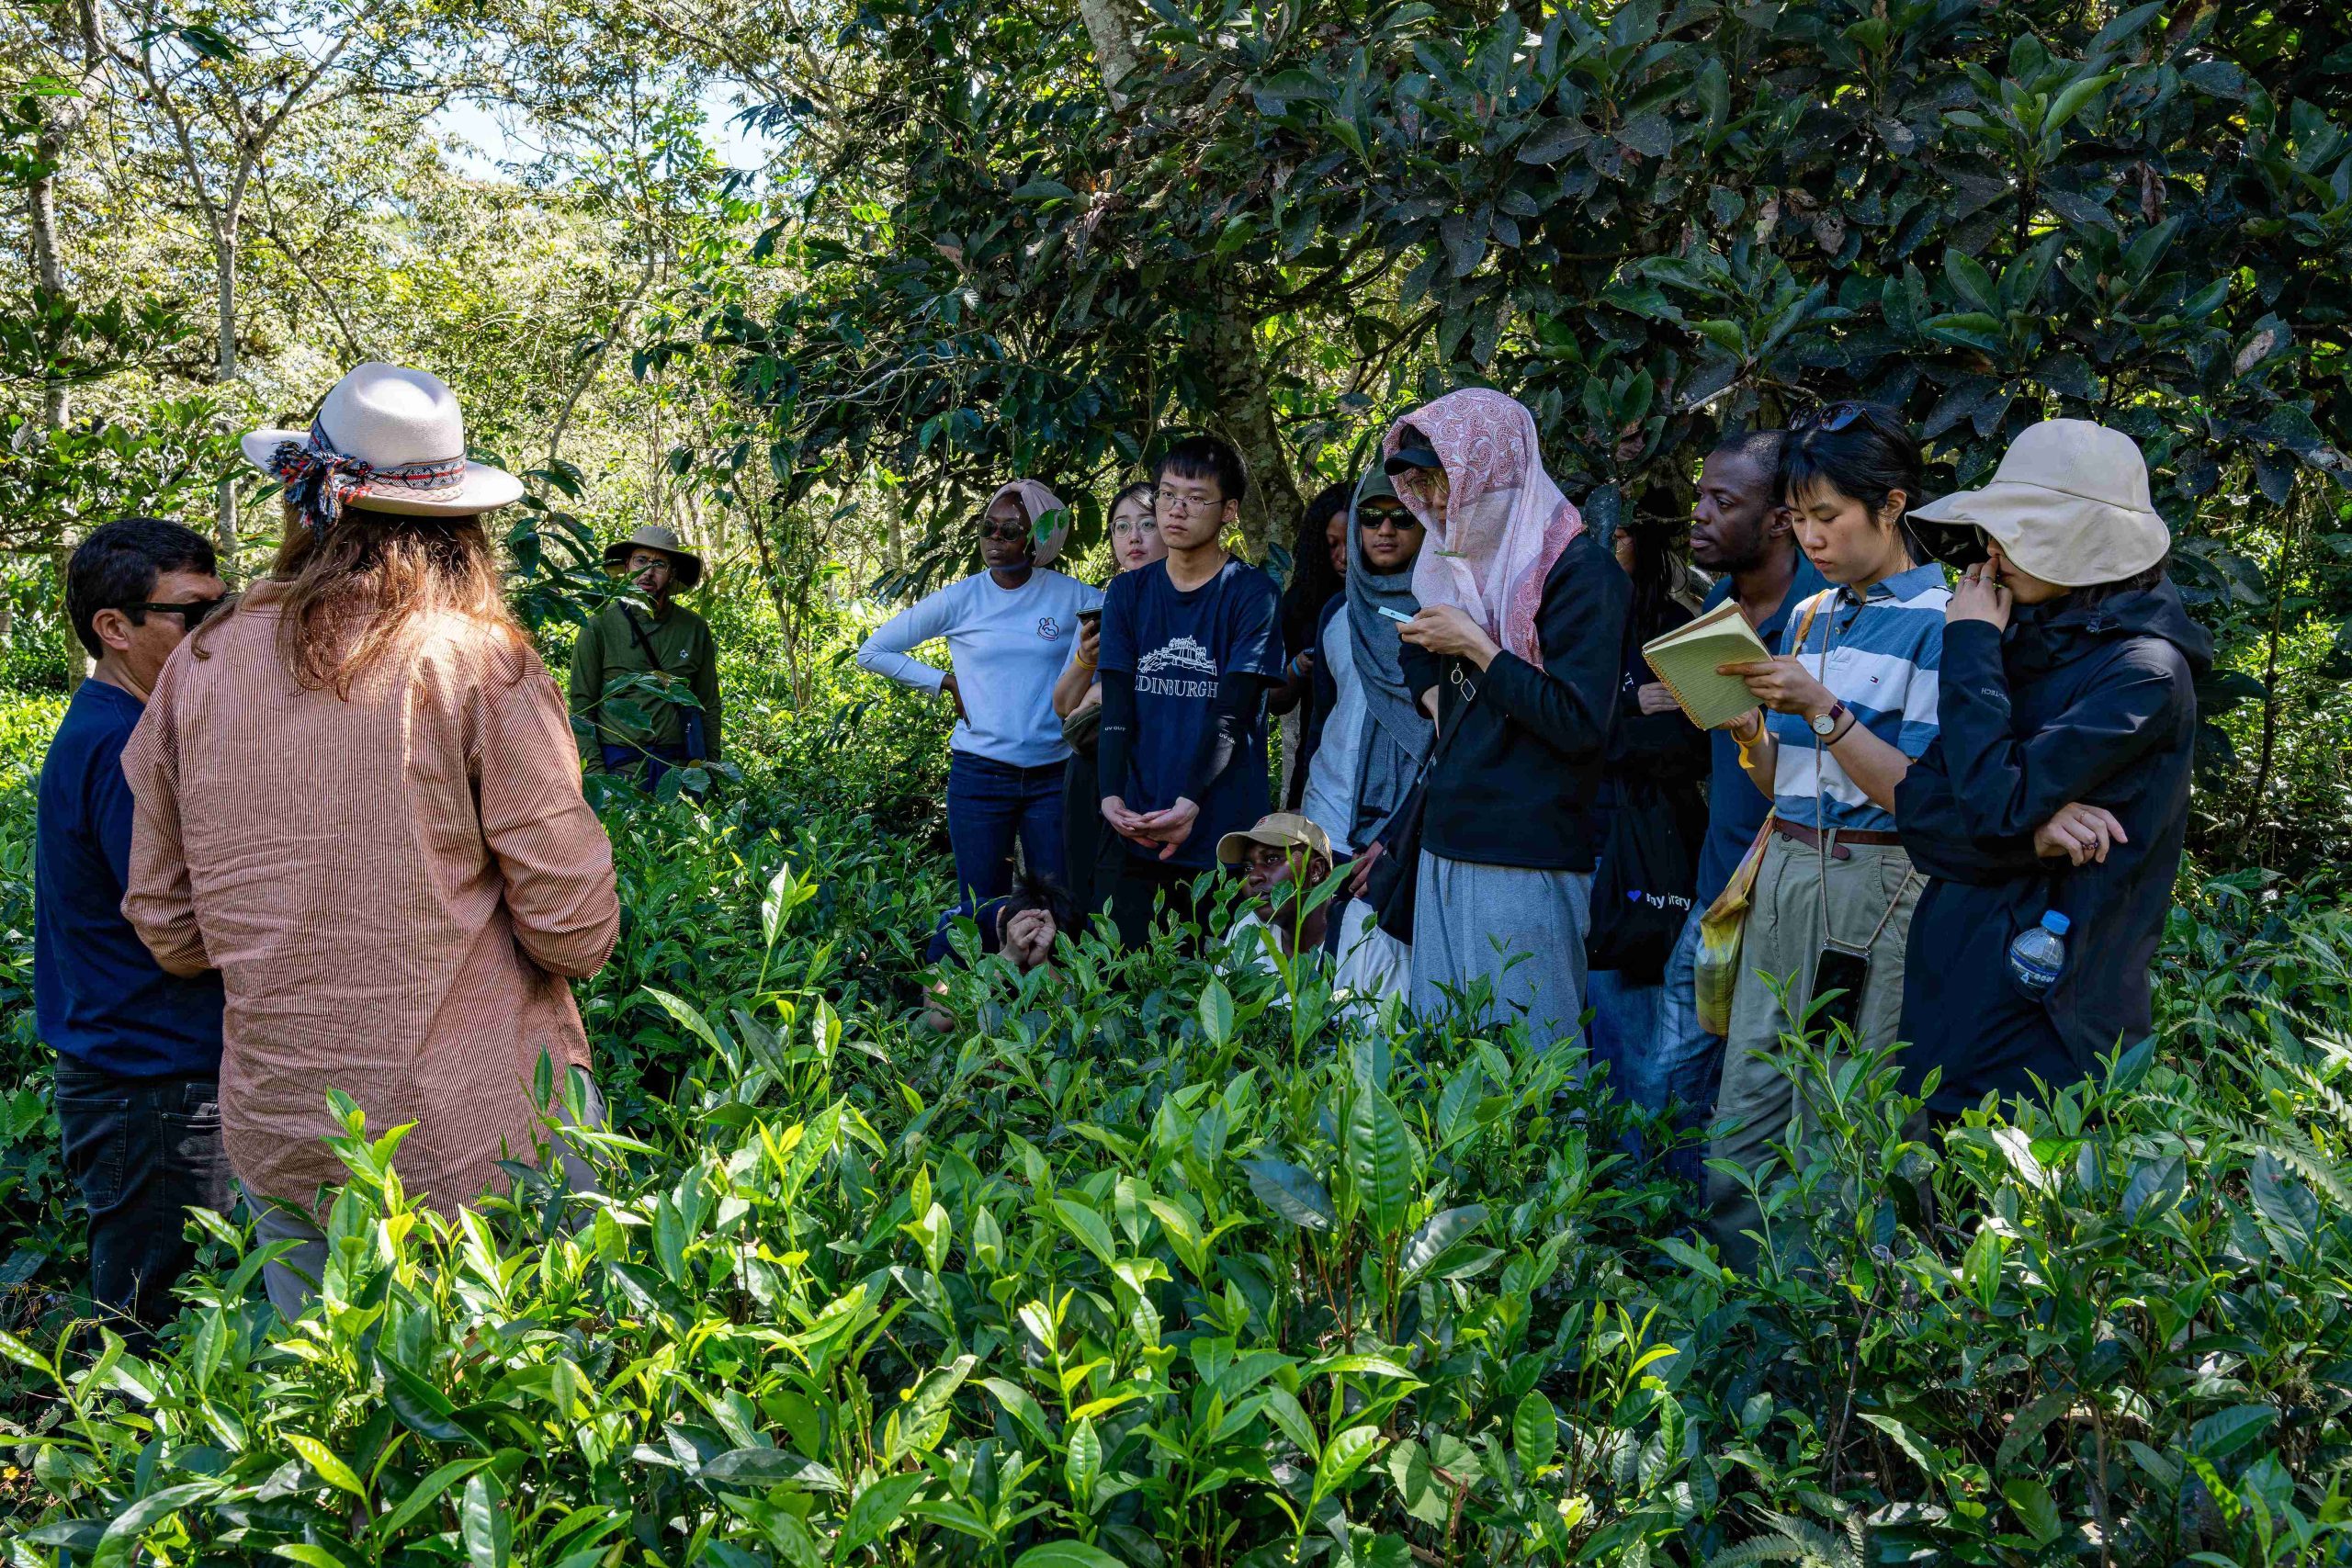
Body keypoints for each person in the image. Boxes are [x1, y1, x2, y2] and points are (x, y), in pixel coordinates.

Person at [121, 363, 620, 1316]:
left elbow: (168, 922)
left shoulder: (203, 662)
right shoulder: (476, 661)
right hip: (479, 1123)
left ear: (305, 505)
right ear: (458, 524)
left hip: (286, 1124)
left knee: (337, 1415)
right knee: (527, 1407)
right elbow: (573, 930)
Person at [1896, 420, 2210, 1113]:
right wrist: (2031, 833)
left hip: (2046, 1024)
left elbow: (1987, 804)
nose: (1991, 551)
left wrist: (1972, 642)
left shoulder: (2143, 673)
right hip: (1952, 995)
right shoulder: (2030, 634)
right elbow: (1919, 808)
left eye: (2018, 533)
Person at [1705, 402, 1945, 1270]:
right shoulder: (1810, 617)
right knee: (1753, 1095)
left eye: (1829, 516)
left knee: (1850, 1111)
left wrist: (1821, 707)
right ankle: (1741, 1307)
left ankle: (1851, 1331)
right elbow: (1785, 784)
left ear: (1891, 505)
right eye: (1798, 519)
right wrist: (1747, 731)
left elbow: (1915, 797)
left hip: (1880, 889)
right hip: (1789, 870)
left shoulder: (1943, 622)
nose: (1811, 536)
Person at [1385, 389, 1628, 1048]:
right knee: (1444, 1059)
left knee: (1533, 1073)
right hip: (1446, 839)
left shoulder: (1582, 573)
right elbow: (1414, 648)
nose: (1434, 502)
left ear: (1494, 472)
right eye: (1423, 482)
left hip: (1526, 853)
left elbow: (1578, 724)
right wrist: (1434, 697)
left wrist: (1477, 647)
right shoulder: (1453, 566)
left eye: (1447, 481)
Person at [38, 518, 230, 1337]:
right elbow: (178, 932)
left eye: (225, 609)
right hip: (153, 1088)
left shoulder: (121, 725)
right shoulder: (122, 744)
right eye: (191, 614)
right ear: (113, 628)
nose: (213, 633)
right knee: (151, 1329)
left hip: (148, 1073)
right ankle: (100, 1467)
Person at [1646, 431, 1826, 1183]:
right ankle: (1657, 1251)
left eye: (1724, 502)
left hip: (1796, 898)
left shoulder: (1828, 614)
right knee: (1668, 1084)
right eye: (1700, 498)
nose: (1700, 516)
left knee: (1774, 1103)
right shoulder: (1721, 603)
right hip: (1722, 886)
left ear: (1782, 519)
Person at [857, 480, 1102, 909]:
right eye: (988, 528)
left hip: (1054, 774)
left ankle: (1056, 979)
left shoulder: (1072, 596)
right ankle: (985, 978)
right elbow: (874, 650)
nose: (995, 540)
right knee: (981, 904)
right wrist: (943, 682)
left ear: (1040, 537)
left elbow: (1132, 625)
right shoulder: (962, 598)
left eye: (1011, 531)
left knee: (1059, 903)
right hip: (979, 776)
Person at [1096, 434, 1284, 949]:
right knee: (1127, 986)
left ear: (1229, 511)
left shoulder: (1252, 594)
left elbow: (1232, 715)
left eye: (1196, 498)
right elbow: (1116, 706)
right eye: (1166, 494)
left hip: (1219, 834)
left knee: (1218, 997)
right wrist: (1110, 795)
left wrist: (1189, 804)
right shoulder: (1128, 592)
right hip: (1136, 829)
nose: (1176, 510)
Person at [1584, 518, 1712, 1103]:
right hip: (1567, 842)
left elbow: (1699, 746)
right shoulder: (1560, 615)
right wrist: (1630, 708)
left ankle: (1648, 1188)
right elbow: (1538, 729)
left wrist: (1598, 737)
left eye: (1619, 532)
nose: (1602, 536)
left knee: (1641, 1045)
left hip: (1647, 857)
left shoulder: (1679, 628)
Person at [1298, 468, 1428, 1007]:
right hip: (1326, 809)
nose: (1385, 530)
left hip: (1405, 821)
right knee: (1308, 965)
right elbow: (1319, 720)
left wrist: (1401, 833)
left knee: (1381, 981)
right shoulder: (1336, 612)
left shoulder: (1446, 610)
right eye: (1370, 517)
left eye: (1403, 517)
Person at [1053, 481, 1161, 921]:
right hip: (1091, 770)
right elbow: (1063, 704)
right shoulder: (1104, 603)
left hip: (1151, 773)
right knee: (1084, 896)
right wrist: (1086, 660)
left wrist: (1107, 692)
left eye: (1146, 524)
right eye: (1121, 527)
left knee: (1141, 906)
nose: (1132, 538)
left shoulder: (1196, 601)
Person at [568, 524, 722, 790]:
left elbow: (707, 704)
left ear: (672, 572)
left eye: (659, 564)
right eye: (641, 561)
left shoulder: (694, 629)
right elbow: (582, 708)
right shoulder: (598, 626)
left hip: (679, 770)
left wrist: (710, 771)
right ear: (627, 565)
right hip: (619, 768)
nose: (648, 573)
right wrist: (596, 776)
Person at [1269, 482, 1351, 808]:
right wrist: (1297, 668)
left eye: (1351, 541)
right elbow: (1276, 702)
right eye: (1332, 545)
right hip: (1317, 768)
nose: (1343, 557)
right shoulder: (1300, 604)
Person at [920, 869, 1079, 1032]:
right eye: (1021, 967)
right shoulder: (957, 927)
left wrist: (1042, 964)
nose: (1018, 976)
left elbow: (1076, 1019)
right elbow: (932, 1021)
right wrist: (1007, 959)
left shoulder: (1064, 929)